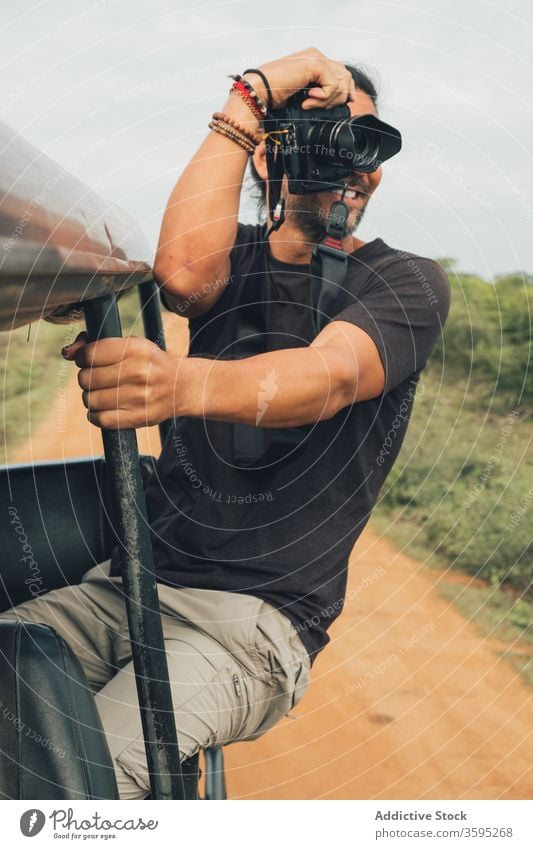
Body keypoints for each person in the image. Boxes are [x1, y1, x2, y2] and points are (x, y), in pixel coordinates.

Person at [0, 48, 450, 799]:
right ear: (269, 155)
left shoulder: (403, 279)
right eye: (326, 134)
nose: (353, 161)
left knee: (75, 780)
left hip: (250, 626)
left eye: (366, 141)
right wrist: (251, 97)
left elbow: (327, 377)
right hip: (129, 584)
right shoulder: (230, 258)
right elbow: (179, 273)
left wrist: (176, 381)